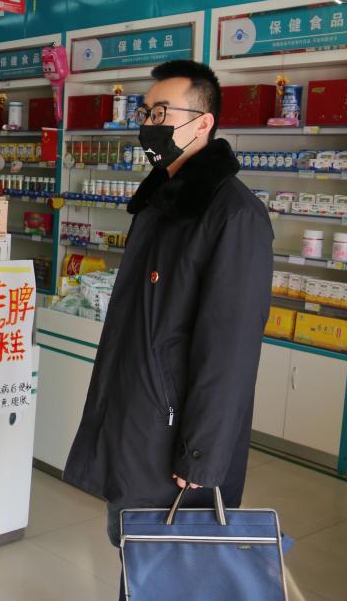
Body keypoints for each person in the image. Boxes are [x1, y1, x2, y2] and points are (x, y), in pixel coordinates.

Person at [63, 61, 274, 595]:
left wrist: (202, 454)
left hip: (178, 441)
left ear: (203, 123)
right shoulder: (161, 202)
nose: (149, 124)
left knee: (174, 573)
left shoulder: (234, 215)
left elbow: (229, 349)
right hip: (139, 423)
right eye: (145, 113)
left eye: (162, 113)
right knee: (140, 563)